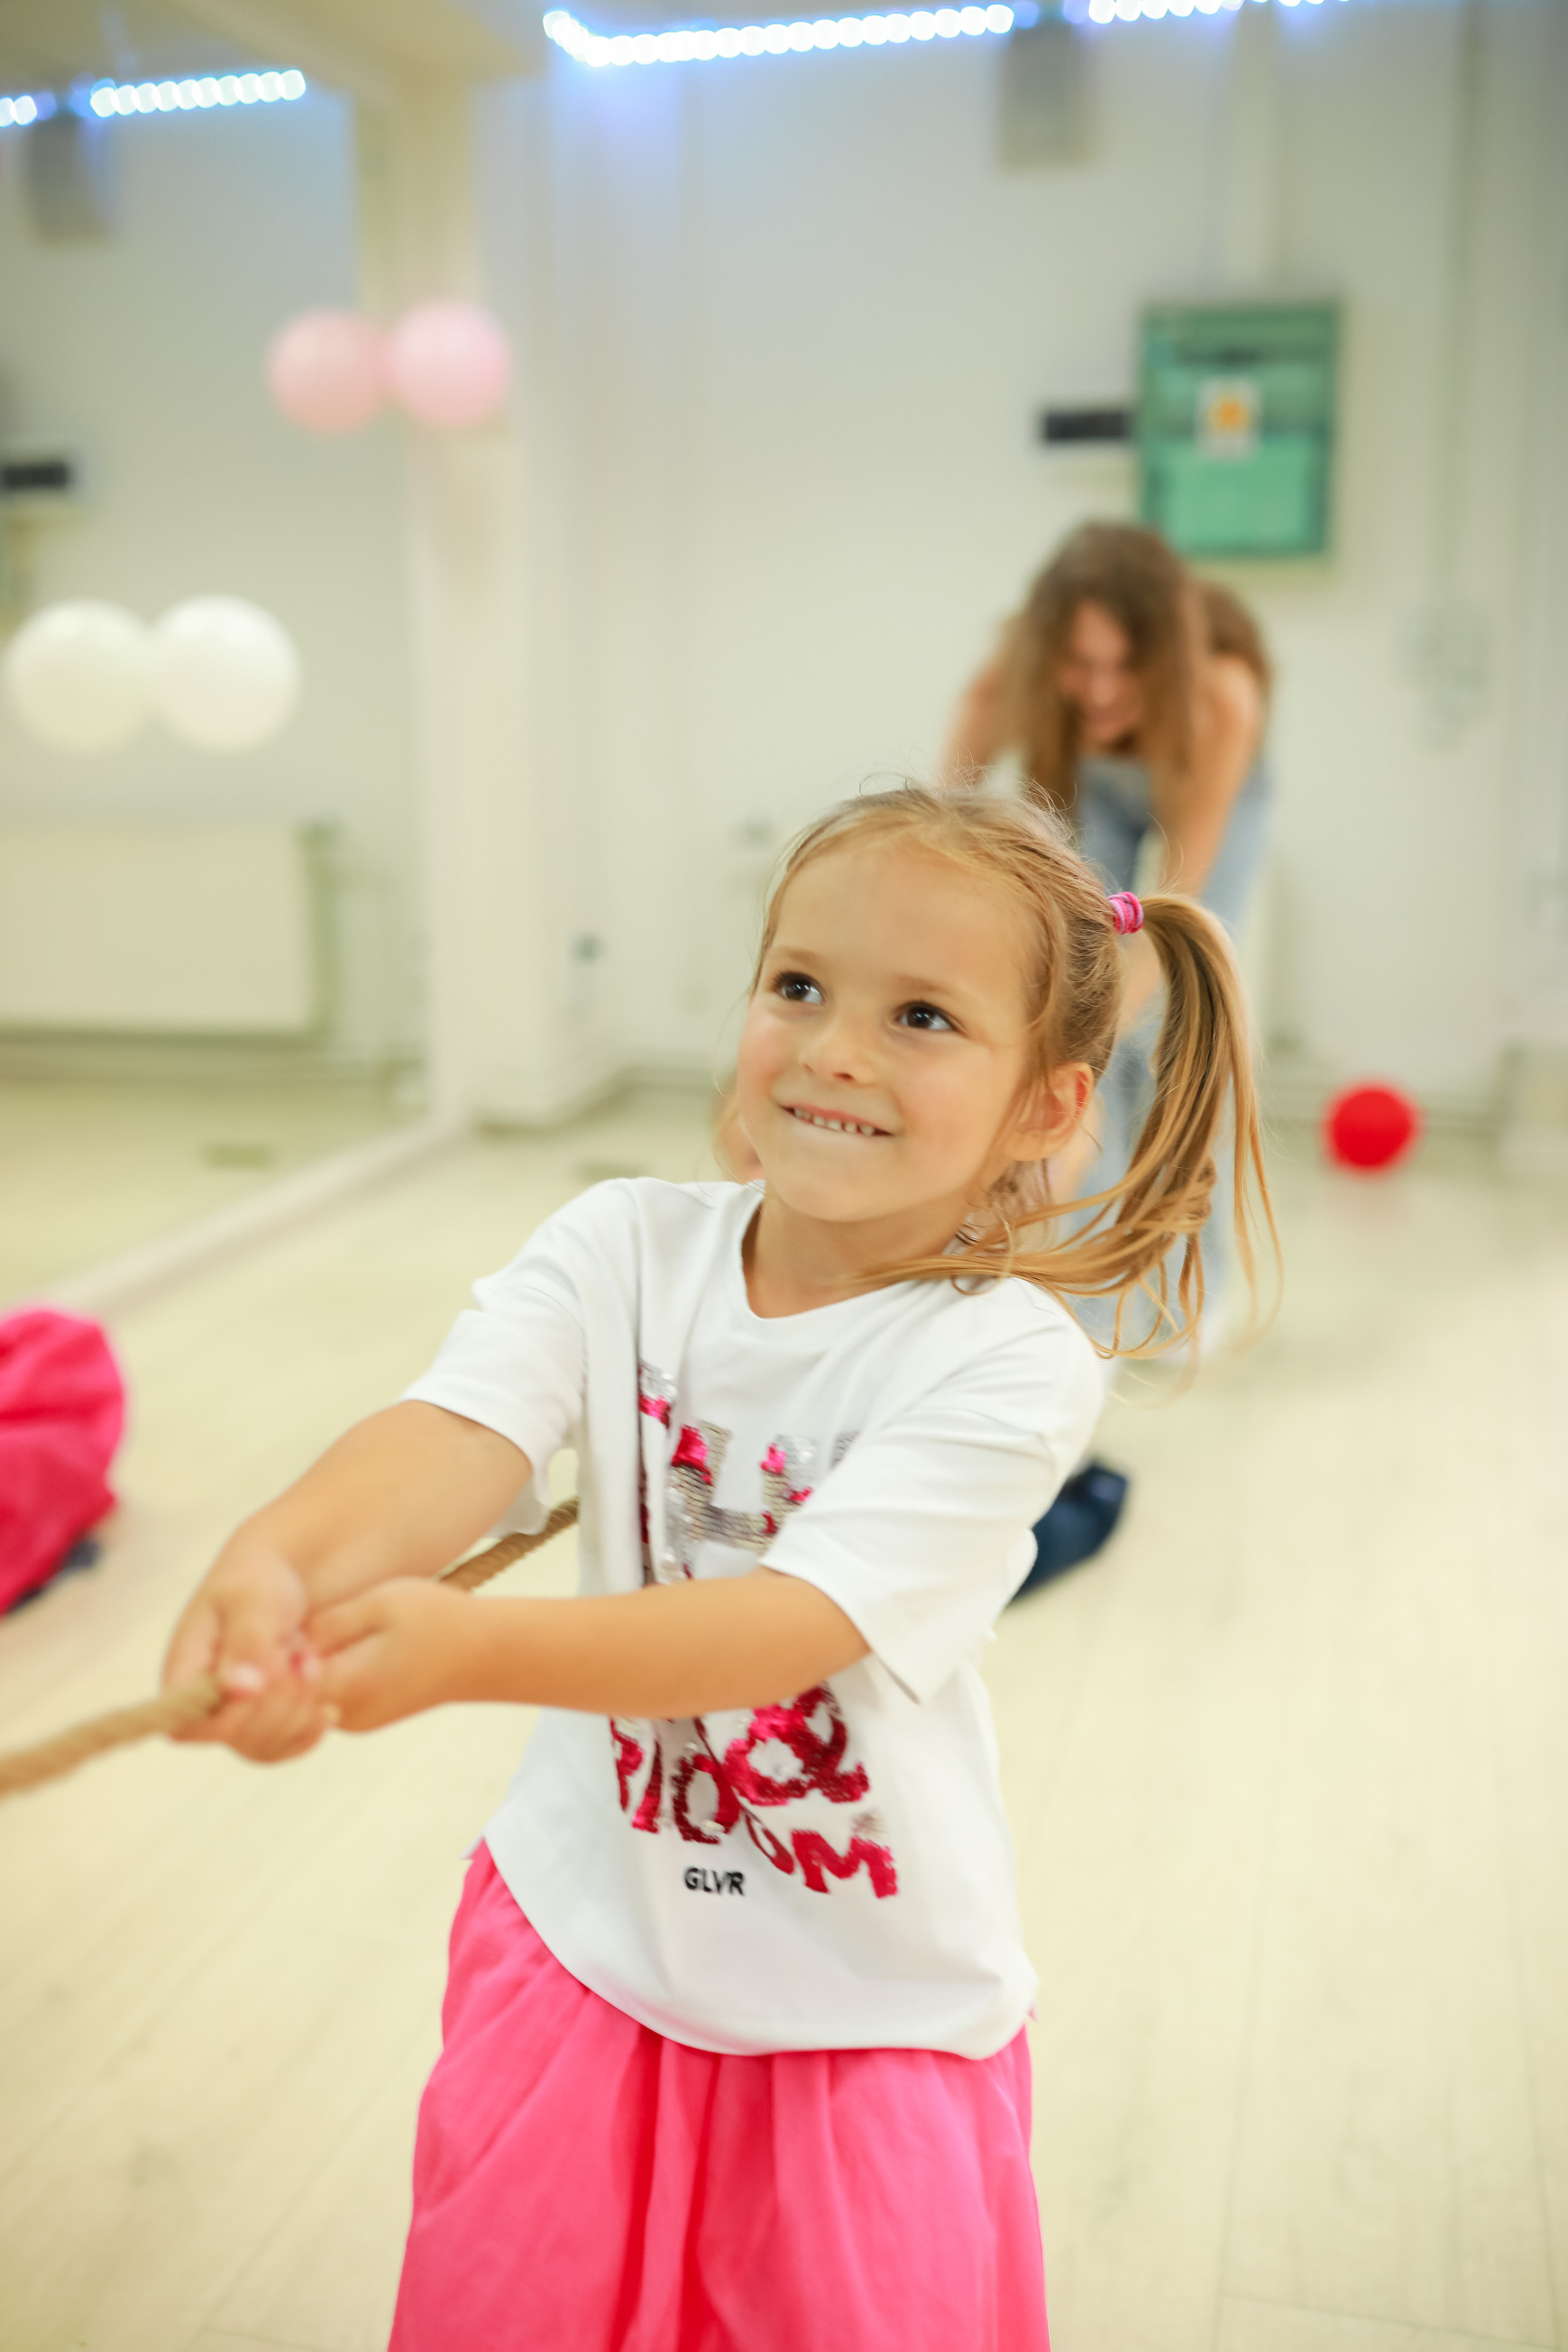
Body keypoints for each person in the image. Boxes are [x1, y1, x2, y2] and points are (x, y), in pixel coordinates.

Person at [160, 784, 1272, 2352]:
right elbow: (454, 1435)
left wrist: (464, 1654)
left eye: (921, 1016)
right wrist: (275, 1562)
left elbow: (785, 1627)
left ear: (1045, 1105)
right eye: (798, 986)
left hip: (858, 2007)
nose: (832, 1050)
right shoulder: (619, 1245)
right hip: (580, 1946)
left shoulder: (1009, 1363)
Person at [944, 524, 1273, 1589]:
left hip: (1198, 799)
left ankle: (1200, 1285)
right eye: (1076, 664)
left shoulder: (1222, 697)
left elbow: (1174, 898)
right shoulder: (1022, 673)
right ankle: (1084, 1281)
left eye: (1122, 667)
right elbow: (948, 807)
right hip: (1098, 791)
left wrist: (1094, 1038)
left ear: (1163, 660)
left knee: (1176, 1033)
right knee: (1078, 995)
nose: (1096, 689)